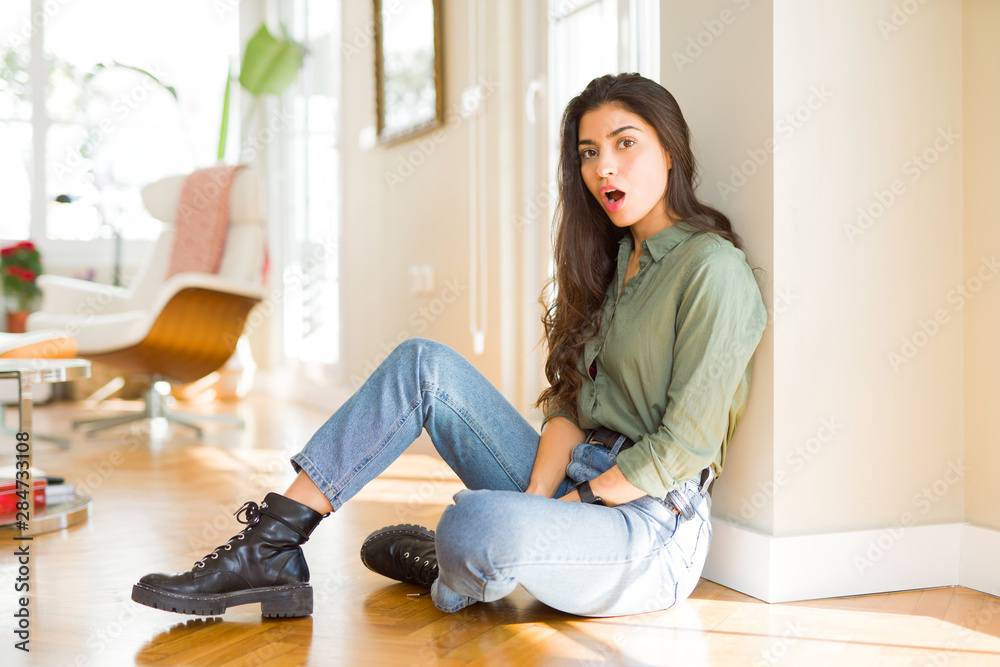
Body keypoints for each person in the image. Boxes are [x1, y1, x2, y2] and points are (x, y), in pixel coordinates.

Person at [131, 72, 767, 619]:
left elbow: (685, 447)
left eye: (626, 143)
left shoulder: (712, 269)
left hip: (648, 526)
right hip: (574, 482)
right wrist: (537, 505)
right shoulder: (610, 261)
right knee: (422, 364)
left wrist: (563, 509)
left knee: (475, 521)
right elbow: (570, 406)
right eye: (588, 151)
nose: (604, 167)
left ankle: (470, 556)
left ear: (670, 150)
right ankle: (271, 546)